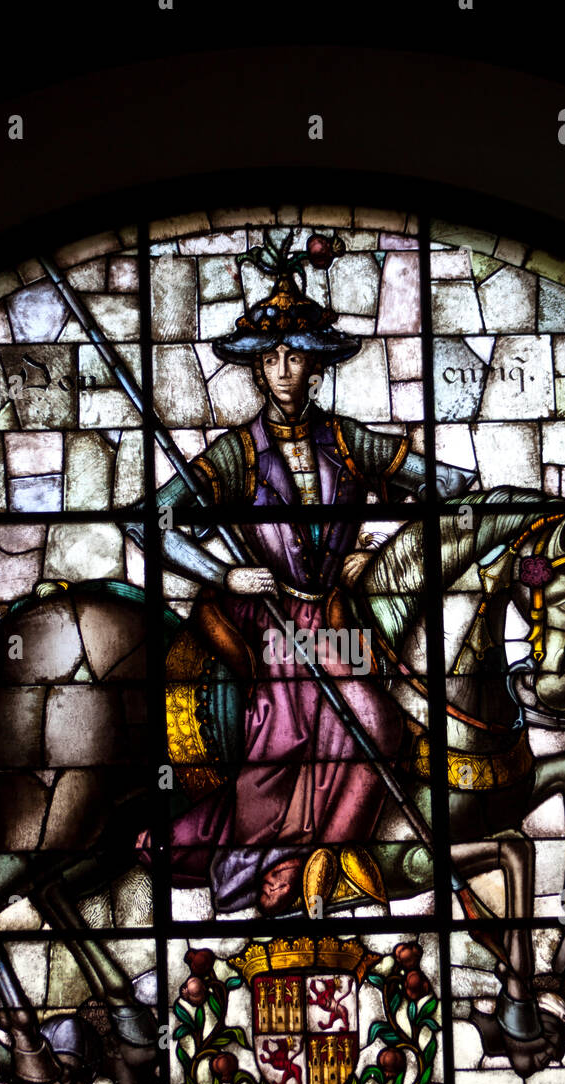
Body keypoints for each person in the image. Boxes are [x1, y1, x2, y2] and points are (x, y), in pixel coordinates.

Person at [132, 234, 475, 916]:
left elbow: (453, 486)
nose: (284, 369)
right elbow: (152, 523)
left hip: (337, 618)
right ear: (258, 370)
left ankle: (327, 858)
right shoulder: (235, 455)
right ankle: (263, 861)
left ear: (315, 368)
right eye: (272, 358)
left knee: (376, 727)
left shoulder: (349, 441)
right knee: (282, 734)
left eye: (296, 357)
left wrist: (379, 544)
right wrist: (223, 576)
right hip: (268, 621)